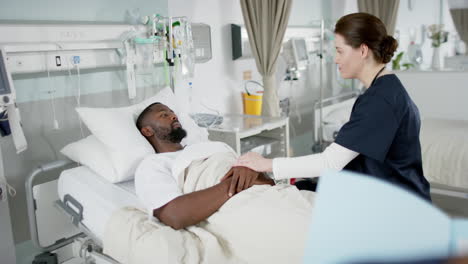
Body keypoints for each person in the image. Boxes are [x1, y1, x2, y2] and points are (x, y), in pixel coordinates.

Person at [235, 12, 431, 202]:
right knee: (300, 188)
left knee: (291, 194)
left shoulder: (380, 100)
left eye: (339, 51)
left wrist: (265, 164)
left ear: (363, 51)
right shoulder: (387, 88)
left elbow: (330, 162)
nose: (336, 59)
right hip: (388, 191)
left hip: (396, 204)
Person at [134, 102, 274, 230]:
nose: (173, 116)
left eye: (172, 113)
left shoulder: (211, 147)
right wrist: (235, 184)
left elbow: (267, 181)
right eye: (164, 115)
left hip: (269, 195)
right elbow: (175, 215)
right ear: (147, 131)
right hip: (244, 209)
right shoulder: (152, 164)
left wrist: (252, 171)